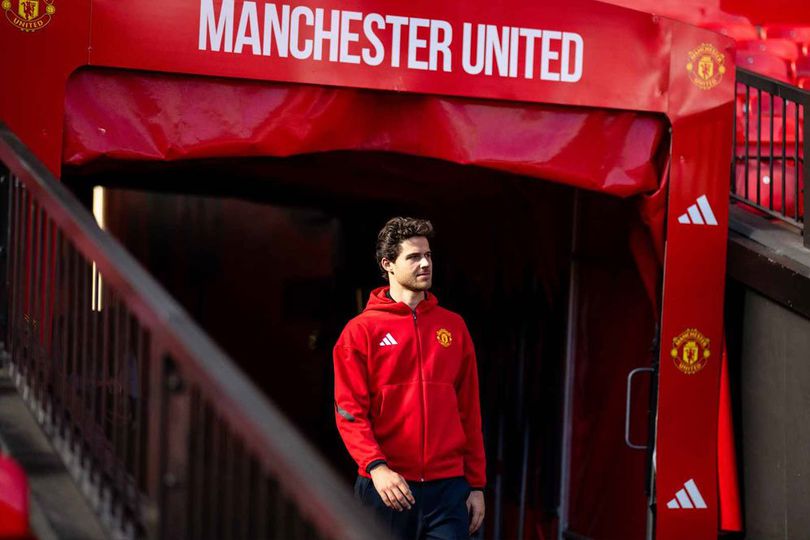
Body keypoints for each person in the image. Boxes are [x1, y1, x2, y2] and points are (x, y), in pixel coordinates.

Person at [333, 217, 486, 540]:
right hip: (387, 486)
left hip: (448, 490)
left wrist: (475, 484)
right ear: (388, 264)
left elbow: (469, 411)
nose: (425, 264)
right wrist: (377, 467)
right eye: (414, 257)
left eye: (428, 255)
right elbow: (349, 411)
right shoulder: (360, 331)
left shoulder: (454, 327)